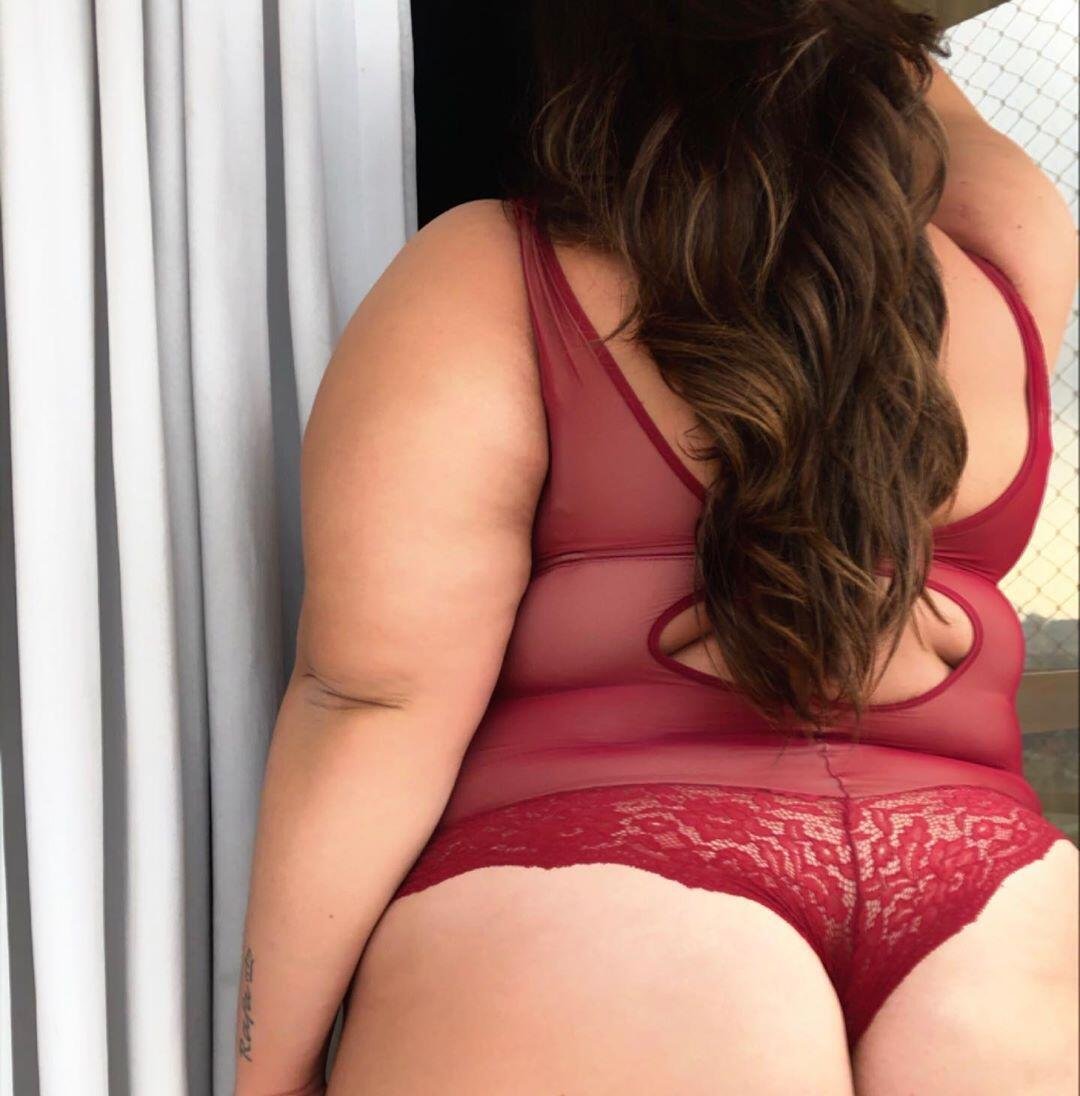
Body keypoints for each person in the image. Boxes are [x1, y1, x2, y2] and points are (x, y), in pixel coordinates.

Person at [234, 2, 1079, 1093]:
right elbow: (934, 108)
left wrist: (269, 1069)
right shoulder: (1002, 272)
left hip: (600, 903)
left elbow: (370, 701)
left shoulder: (490, 273)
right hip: (1007, 921)